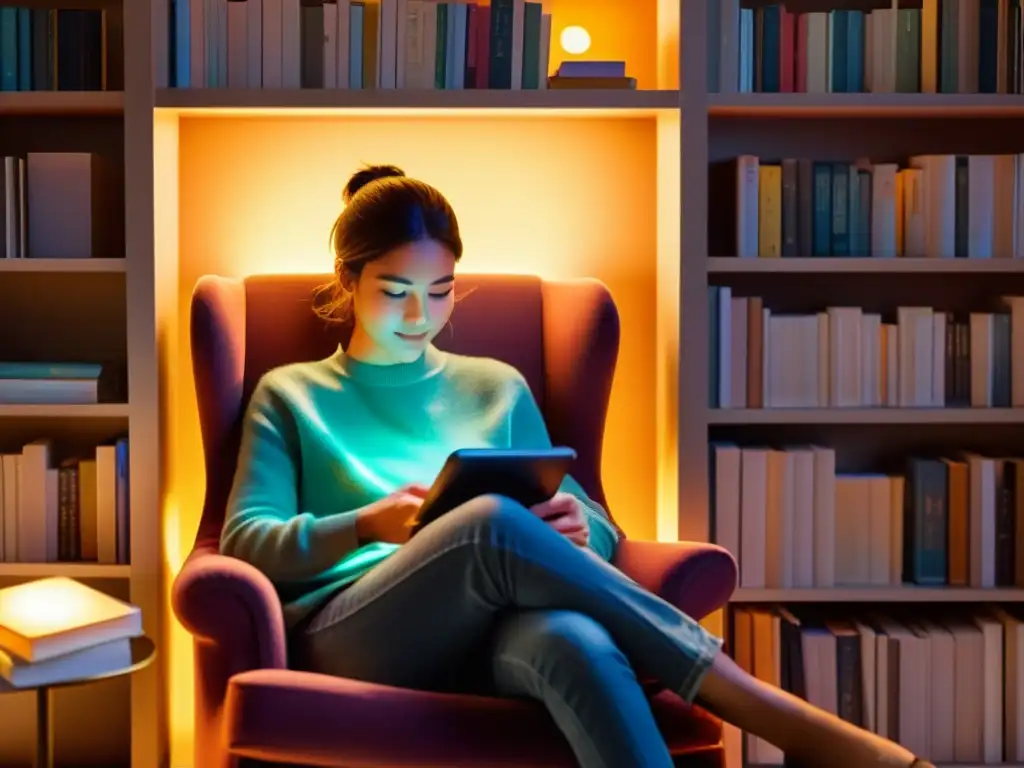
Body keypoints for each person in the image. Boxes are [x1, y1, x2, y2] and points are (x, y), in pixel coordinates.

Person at [220, 163, 934, 768]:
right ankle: (766, 710)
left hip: (499, 623)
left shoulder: (495, 385)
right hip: (360, 632)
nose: (420, 316)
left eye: (439, 292)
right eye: (395, 292)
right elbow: (247, 543)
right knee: (491, 522)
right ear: (347, 279)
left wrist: (576, 522)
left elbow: (595, 517)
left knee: (579, 642)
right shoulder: (293, 393)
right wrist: (369, 524)